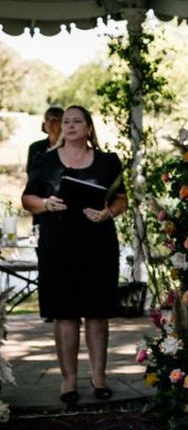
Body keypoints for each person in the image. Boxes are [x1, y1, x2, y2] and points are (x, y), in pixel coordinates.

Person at [22, 105, 127, 404]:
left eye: (76, 121)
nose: (69, 125)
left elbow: (121, 199)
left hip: (98, 242)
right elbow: (27, 198)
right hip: (58, 244)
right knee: (65, 315)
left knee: (97, 313)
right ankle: (68, 382)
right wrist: (45, 204)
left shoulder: (108, 162)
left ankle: (99, 377)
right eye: (65, 121)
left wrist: (108, 213)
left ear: (89, 128)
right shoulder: (46, 161)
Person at [26, 105, 63, 174]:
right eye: (47, 119)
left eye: (54, 120)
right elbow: (31, 174)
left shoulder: (69, 147)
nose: (49, 123)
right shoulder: (35, 147)